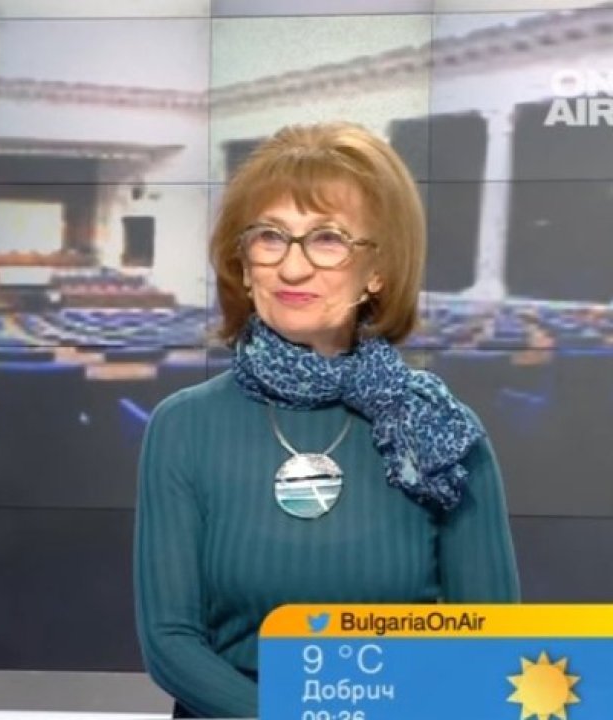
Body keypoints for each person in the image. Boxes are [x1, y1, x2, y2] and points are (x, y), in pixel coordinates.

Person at [133, 122, 519, 718]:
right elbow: (171, 644)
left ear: (377, 271)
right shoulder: (183, 427)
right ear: (244, 264)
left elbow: (491, 643)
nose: (293, 268)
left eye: (328, 239)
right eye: (270, 237)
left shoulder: (440, 431)